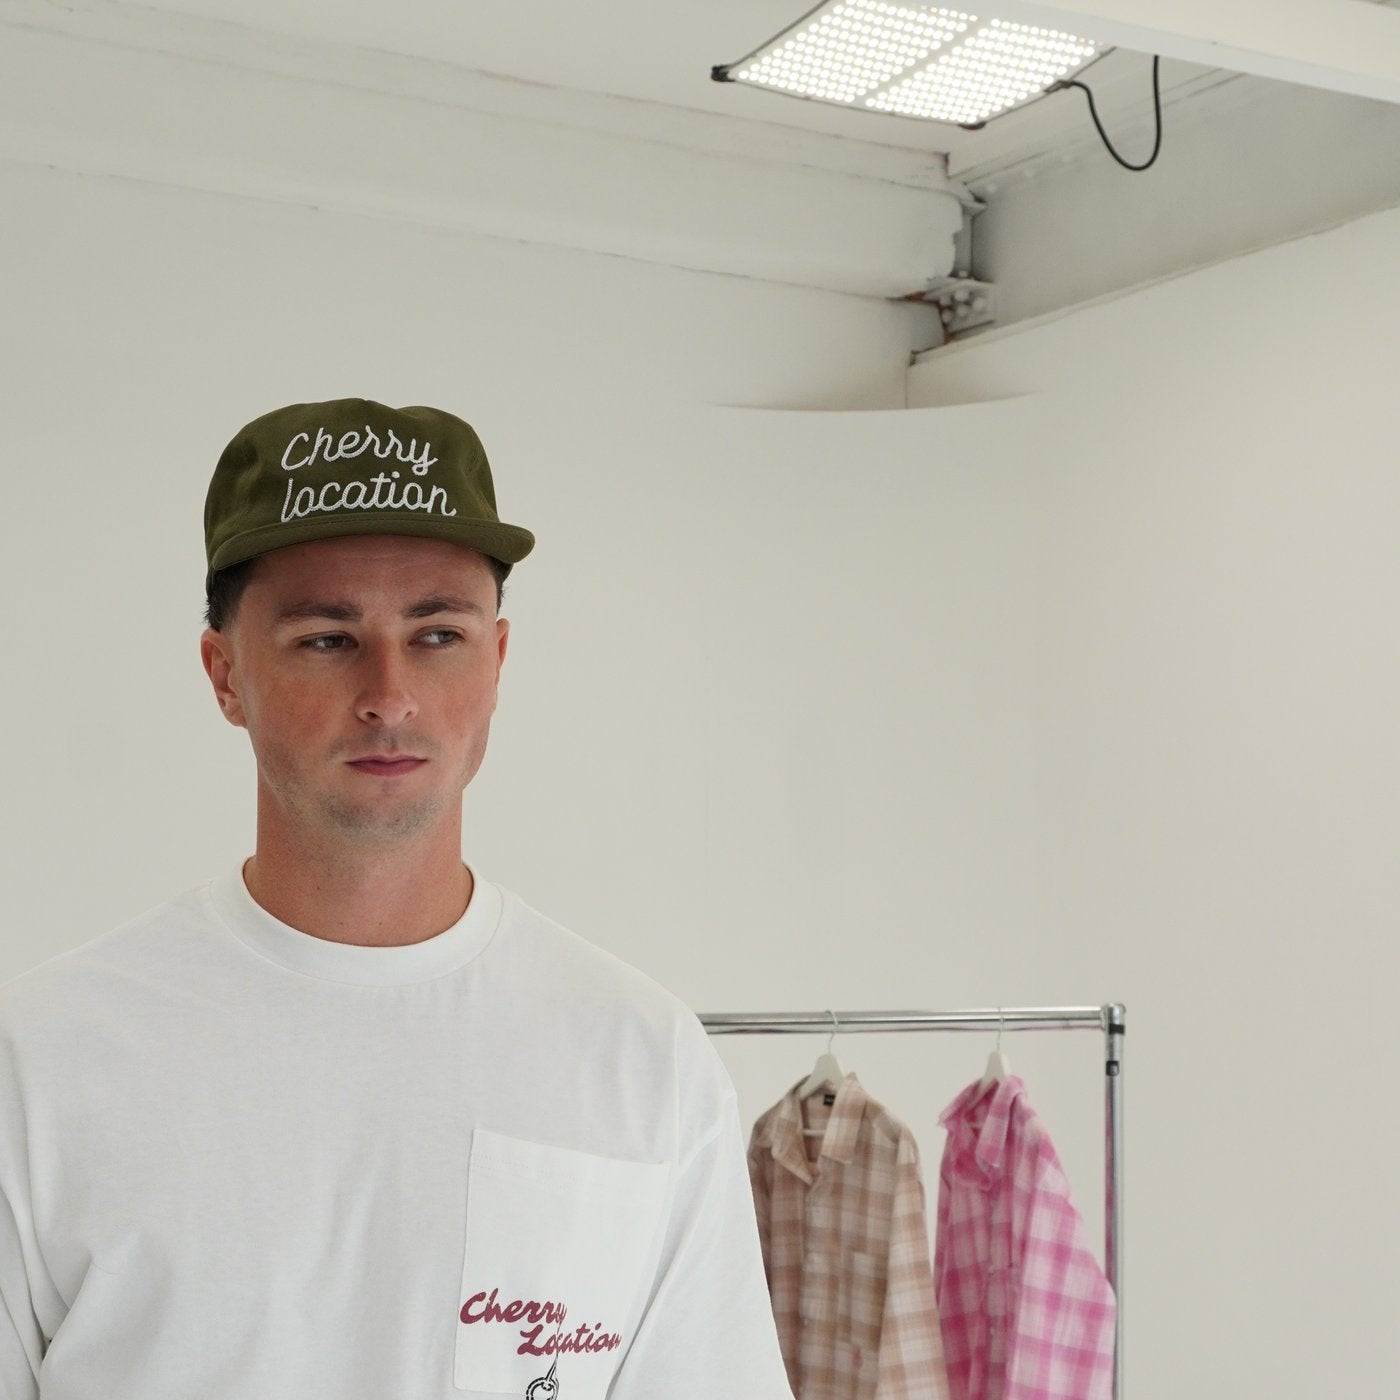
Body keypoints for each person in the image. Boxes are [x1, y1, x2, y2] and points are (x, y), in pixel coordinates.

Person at [0, 397, 796, 1400]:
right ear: (224, 673)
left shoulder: (642, 1058)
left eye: (436, 633)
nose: (389, 691)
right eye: (327, 638)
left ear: (496, 661)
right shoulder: (43, 1057)